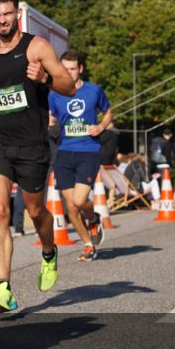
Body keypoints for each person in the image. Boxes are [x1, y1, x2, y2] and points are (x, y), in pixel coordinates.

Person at [0, 0, 75, 315]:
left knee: (35, 211)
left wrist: (44, 79)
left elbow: (68, 86)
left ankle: (48, 251)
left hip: (31, 142)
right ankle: (3, 289)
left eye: (7, 14)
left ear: (17, 14)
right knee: (0, 210)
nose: (2, 20)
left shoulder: (36, 47)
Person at [48, 50, 112, 261]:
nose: (69, 73)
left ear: (80, 69)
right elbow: (50, 116)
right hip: (64, 152)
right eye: (65, 69)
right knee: (71, 207)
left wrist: (101, 127)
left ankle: (93, 218)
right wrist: (49, 122)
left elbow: (108, 112)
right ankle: (87, 244)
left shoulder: (94, 91)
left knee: (79, 200)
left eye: (73, 69)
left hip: (88, 150)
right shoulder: (54, 93)